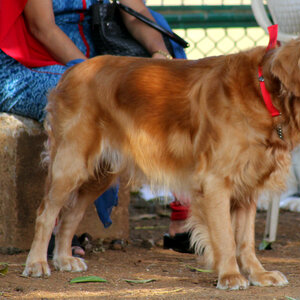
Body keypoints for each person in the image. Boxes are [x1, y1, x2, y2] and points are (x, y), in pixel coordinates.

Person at [0, 0, 188, 255]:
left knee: (169, 86)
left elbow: (137, 14)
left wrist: (160, 56)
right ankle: (55, 231)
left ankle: (183, 216)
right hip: (26, 63)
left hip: (94, 57)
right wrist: (101, 77)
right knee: (85, 105)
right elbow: (41, 28)